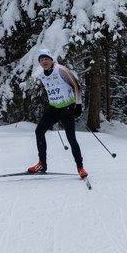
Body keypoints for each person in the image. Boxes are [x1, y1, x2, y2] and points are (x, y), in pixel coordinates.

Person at [27, 48, 88, 178]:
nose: (44, 62)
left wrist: (78, 105)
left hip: (67, 109)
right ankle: (42, 163)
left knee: (71, 138)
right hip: (53, 109)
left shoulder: (61, 70)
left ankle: (80, 167)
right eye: (41, 60)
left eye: (46, 59)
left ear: (51, 59)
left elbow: (76, 86)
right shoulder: (43, 75)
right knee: (39, 131)